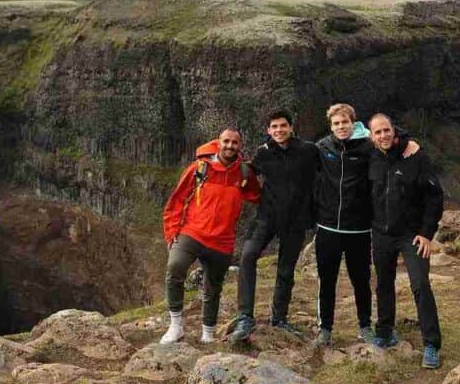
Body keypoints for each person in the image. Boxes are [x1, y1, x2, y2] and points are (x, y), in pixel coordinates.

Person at [314, 103, 418, 346]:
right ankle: (325, 328)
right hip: (328, 226)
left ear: (354, 123)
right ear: (331, 126)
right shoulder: (322, 147)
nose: (341, 127)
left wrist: (408, 140)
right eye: (336, 123)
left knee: (360, 280)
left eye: (345, 122)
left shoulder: (368, 146)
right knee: (326, 280)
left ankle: (364, 325)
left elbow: (389, 136)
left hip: (358, 228)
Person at [161, 128, 261, 344]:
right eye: (226, 141)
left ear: (239, 146)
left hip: (222, 240)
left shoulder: (243, 173)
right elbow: (177, 200)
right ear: (219, 142)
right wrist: (171, 232)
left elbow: (256, 195)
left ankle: (208, 334)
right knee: (175, 268)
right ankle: (176, 326)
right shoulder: (200, 168)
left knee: (213, 287)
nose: (230, 146)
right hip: (192, 232)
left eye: (235, 143)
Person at [230, 109, 319, 342]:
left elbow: (329, 168)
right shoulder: (264, 152)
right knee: (248, 257)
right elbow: (246, 168)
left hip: (296, 220)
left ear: (291, 127)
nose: (279, 130)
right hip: (267, 217)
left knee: (286, 270)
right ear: (268, 130)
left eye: (283, 126)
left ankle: (279, 318)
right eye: (274, 127)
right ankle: (245, 317)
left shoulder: (308, 151)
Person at [367, 113, 444, 369]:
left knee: (420, 284)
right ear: (371, 136)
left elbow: (434, 197)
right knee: (383, 284)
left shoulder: (415, 157)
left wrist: (426, 233)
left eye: (386, 130)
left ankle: (431, 344)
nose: (383, 136)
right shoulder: (370, 157)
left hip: (411, 234)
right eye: (377, 132)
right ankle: (385, 332)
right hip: (381, 233)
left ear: (394, 130)